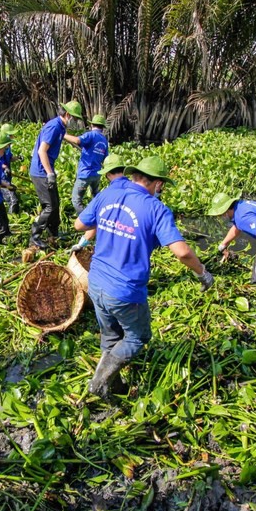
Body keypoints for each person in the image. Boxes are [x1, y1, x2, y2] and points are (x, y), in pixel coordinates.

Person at [75, 155, 214, 397]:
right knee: (138, 337)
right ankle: (100, 381)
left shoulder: (107, 194)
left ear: (136, 175)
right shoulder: (155, 208)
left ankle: (113, 387)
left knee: (111, 335)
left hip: (95, 281)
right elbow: (182, 252)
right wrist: (203, 273)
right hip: (124, 290)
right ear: (157, 183)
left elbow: (80, 224)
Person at [30, 100, 83, 249]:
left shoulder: (60, 127)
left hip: (46, 171)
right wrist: (49, 173)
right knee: (49, 206)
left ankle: (53, 233)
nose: (76, 122)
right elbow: (42, 151)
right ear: (67, 115)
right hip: (41, 172)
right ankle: (35, 236)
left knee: (55, 204)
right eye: (75, 118)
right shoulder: (54, 127)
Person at [70, 153, 125, 252]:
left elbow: (79, 225)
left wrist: (81, 244)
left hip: (109, 253)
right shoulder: (138, 192)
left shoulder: (103, 196)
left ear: (107, 175)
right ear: (124, 171)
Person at [65, 114, 108, 215]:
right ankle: (99, 215)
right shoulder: (104, 140)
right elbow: (106, 159)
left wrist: (63, 135)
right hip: (96, 175)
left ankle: (86, 221)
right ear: (102, 127)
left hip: (85, 175)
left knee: (76, 200)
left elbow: (77, 140)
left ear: (92, 125)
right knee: (95, 196)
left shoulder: (91, 135)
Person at [0, 123, 22, 214]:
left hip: (7, 178)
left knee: (13, 198)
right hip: (0, 179)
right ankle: (11, 220)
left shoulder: (8, 147)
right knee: (13, 201)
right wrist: (5, 167)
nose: (13, 137)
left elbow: (9, 158)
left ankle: (12, 216)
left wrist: (18, 158)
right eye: (11, 135)